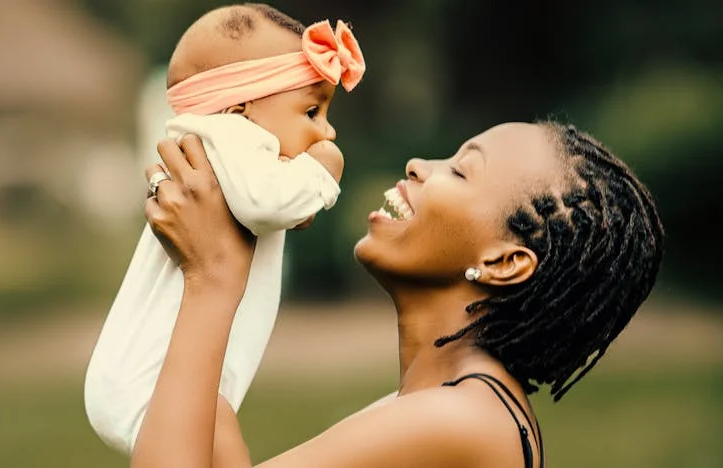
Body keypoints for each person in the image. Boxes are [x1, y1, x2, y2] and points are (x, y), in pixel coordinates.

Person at [132, 121, 664, 467]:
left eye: (459, 170)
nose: (419, 165)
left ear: (503, 263)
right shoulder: (441, 407)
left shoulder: (460, 422)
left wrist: (215, 276)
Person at [84, 4, 365, 454]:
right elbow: (265, 203)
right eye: (312, 112)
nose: (326, 134)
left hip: (156, 374)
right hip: (151, 376)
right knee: (222, 437)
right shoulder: (226, 136)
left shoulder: (230, 146)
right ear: (239, 108)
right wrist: (323, 173)